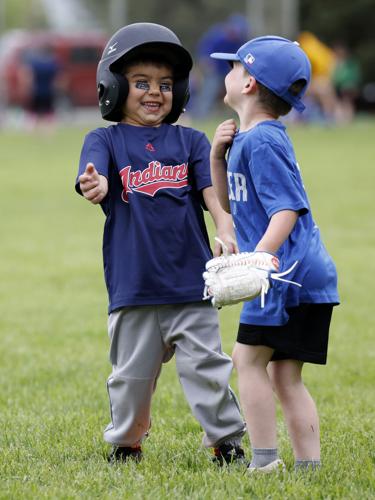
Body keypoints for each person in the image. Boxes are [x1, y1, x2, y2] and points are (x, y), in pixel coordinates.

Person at [75, 23, 246, 465]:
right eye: (141, 83)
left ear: (181, 90)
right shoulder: (105, 140)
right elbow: (91, 174)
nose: (155, 93)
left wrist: (225, 226)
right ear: (113, 86)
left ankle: (225, 441)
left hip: (192, 285)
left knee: (208, 368)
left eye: (165, 84)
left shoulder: (191, 141)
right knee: (131, 378)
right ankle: (127, 442)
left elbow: (212, 194)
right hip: (134, 289)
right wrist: (93, 184)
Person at [209, 36, 339, 473]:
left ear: (248, 84)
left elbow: (287, 209)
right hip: (299, 272)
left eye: (234, 67)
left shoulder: (263, 141)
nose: (226, 73)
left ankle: (264, 463)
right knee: (284, 374)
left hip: (285, 273)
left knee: (247, 361)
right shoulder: (249, 139)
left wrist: (258, 258)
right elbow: (231, 205)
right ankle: (308, 467)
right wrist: (216, 155)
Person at [192, 14, 249, 118]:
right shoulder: (217, 34)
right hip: (214, 68)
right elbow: (204, 49)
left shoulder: (241, 40)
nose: (236, 34)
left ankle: (238, 114)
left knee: (238, 90)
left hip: (229, 69)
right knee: (210, 90)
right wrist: (205, 61)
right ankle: (201, 115)